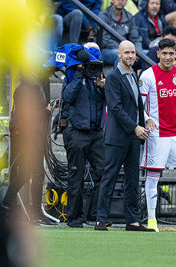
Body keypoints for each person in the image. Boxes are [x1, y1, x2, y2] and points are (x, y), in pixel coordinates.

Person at [139, 38, 176, 232]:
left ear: (175, 55)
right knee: (154, 175)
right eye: (163, 53)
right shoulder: (148, 76)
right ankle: (151, 219)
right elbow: (139, 105)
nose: (167, 57)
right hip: (157, 134)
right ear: (158, 54)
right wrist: (147, 118)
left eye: (170, 54)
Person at [95, 40, 153, 232]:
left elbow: (138, 106)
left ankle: (132, 221)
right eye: (126, 52)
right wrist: (135, 127)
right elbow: (115, 108)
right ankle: (100, 220)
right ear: (118, 55)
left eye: (133, 52)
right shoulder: (113, 77)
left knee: (132, 180)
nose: (130, 55)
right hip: (117, 137)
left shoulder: (133, 76)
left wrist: (144, 124)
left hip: (133, 137)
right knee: (109, 177)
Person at [61, 43, 106, 228]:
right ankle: (74, 218)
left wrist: (103, 87)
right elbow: (67, 98)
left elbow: (111, 101)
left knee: (104, 172)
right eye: (89, 63)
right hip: (77, 131)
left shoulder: (99, 78)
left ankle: (95, 215)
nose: (91, 66)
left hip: (96, 133)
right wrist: (79, 74)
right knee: (75, 175)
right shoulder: (72, 75)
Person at [1, 79, 56, 226]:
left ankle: (9, 206)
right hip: (29, 135)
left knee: (27, 174)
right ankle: (32, 214)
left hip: (27, 134)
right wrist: (46, 111)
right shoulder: (29, 85)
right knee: (33, 173)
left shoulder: (27, 84)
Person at [99, 0, 142, 67]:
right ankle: (119, 77)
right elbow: (104, 39)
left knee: (147, 54)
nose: (120, 1)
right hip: (106, 50)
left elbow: (136, 38)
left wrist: (137, 52)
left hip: (127, 50)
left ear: (126, 1)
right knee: (120, 55)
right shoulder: (103, 15)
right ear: (112, 0)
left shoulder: (129, 16)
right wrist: (126, 50)